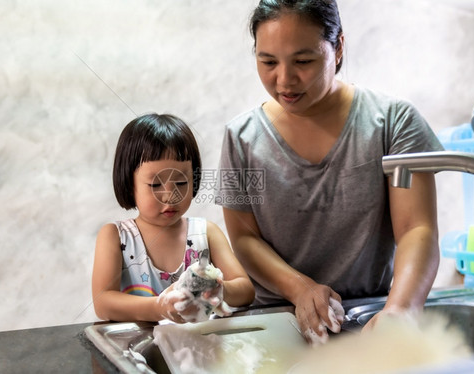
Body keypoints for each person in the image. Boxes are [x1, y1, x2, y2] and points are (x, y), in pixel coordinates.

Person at [216, 0, 443, 343]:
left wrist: (403, 307)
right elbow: (244, 239)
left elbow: (417, 228)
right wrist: (301, 289)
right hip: (276, 324)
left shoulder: (394, 122)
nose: (284, 80)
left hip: (370, 318)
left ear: (337, 47)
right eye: (268, 62)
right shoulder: (240, 138)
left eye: (303, 61)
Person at [92, 113, 254, 323]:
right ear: (129, 183)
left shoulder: (206, 233)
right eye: (155, 185)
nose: (170, 195)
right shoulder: (116, 236)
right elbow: (103, 303)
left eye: (181, 183)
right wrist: (160, 306)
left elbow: (245, 289)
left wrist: (218, 290)